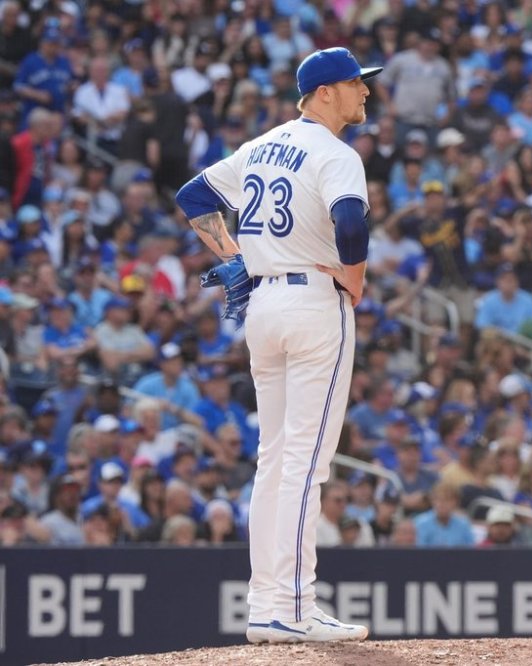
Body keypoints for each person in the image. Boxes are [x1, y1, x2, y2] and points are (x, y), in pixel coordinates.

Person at [174, 47, 381, 643]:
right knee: (305, 465)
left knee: (274, 460)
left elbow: (193, 196)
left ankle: (266, 604)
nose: (364, 92)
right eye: (353, 83)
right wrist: (357, 280)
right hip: (316, 303)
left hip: (262, 305)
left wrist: (237, 260)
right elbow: (351, 224)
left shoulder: (261, 146)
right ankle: (293, 607)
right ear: (323, 93)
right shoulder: (336, 154)